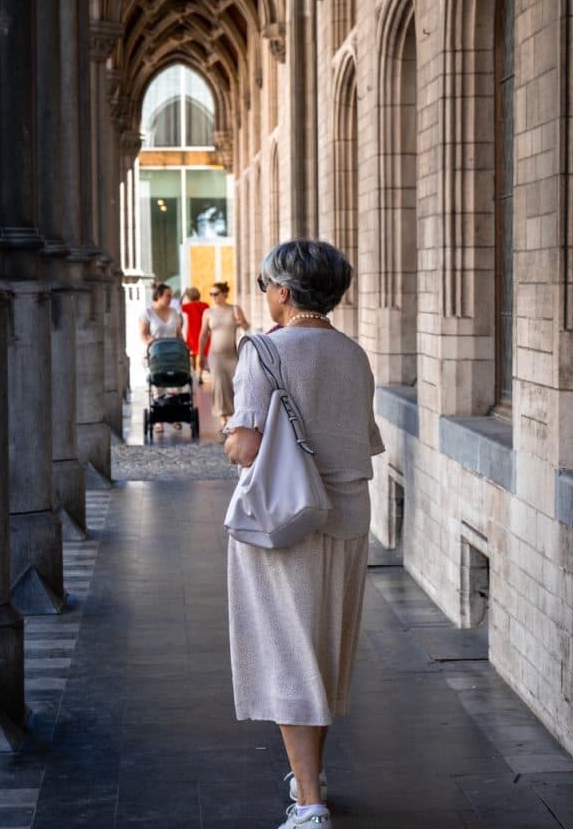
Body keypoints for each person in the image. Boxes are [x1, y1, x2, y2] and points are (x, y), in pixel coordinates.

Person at [223, 240, 384, 829]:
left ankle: (310, 803)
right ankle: (309, 775)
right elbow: (362, 440)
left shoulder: (263, 352)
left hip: (281, 522)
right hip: (345, 518)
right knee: (320, 651)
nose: (265, 294)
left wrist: (227, 433)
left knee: (287, 657)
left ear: (284, 292)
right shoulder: (354, 354)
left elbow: (245, 447)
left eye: (267, 284)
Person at [198, 281, 249, 428]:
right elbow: (203, 335)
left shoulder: (234, 309)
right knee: (219, 385)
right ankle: (222, 415)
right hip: (215, 354)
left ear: (225, 294)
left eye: (216, 294)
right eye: (211, 294)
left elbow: (246, 326)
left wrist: (241, 321)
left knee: (236, 383)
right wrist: (201, 356)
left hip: (232, 354)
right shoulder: (208, 313)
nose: (213, 297)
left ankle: (235, 413)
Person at [139, 282, 183, 432]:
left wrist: (183, 347)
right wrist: (149, 342)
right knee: (158, 385)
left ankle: (174, 416)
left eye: (171, 295)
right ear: (158, 296)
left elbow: (178, 334)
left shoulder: (174, 313)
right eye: (168, 295)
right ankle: (159, 420)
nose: (171, 298)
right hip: (156, 354)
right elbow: (143, 334)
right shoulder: (147, 312)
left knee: (175, 384)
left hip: (173, 354)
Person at [180, 286, 209, 384]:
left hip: (192, 333)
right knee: (202, 354)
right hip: (203, 332)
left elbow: (179, 306)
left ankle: (194, 374)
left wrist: (183, 294)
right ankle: (200, 376)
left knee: (192, 355)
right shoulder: (205, 305)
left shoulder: (188, 306)